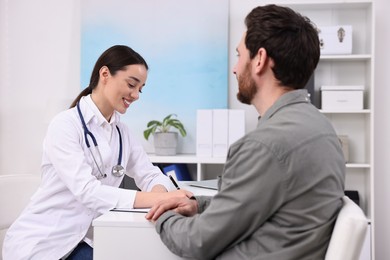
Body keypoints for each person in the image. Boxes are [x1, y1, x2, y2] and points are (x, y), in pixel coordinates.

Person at [146, 4, 345, 260]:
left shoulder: (265, 145)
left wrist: (162, 213)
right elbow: (259, 206)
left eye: (239, 55)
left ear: (259, 59)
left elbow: (196, 241)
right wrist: (198, 204)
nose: (235, 68)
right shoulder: (321, 128)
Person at [2, 45, 192, 260]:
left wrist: (159, 195)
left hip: (86, 240)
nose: (137, 95)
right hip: (44, 242)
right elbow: (87, 191)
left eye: (141, 88)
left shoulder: (122, 132)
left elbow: (150, 174)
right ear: (105, 74)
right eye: (131, 84)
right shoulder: (65, 125)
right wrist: (156, 200)